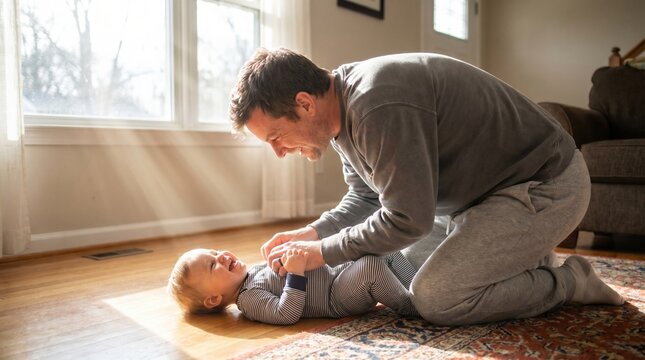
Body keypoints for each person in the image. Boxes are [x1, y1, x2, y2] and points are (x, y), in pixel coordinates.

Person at [228, 48, 625, 326]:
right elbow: (367, 197)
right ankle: (524, 259)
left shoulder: (376, 105)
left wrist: (321, 252)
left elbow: (408, 219)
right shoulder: (340, 117)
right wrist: (312, 232)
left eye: (276, 136)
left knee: (437, 298)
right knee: (404, 274)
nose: (279, 152)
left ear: (304, 104)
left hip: (546, 183)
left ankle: (569, 280)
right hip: (477, 204)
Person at [166, 247, 419, 325]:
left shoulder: (252, 272)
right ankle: (414, 306)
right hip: (335, 296)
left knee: (385, 251)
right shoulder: (248, 299)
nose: (221, 255)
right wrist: (295, 272)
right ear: (213, 299)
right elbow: (286, 313)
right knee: (371, 268)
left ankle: (418, 286)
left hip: (335, 273)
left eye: (214, 251)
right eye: (212, 265)